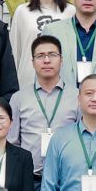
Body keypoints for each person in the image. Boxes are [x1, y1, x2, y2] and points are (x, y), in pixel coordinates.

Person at [8, 35, 77, 177]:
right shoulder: (18, 98)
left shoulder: (77, 97)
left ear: (61, 60)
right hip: (29, 178)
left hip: (66, 177)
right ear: (33, 62)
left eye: (52, 55)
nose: (46, 60)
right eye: (40, 56)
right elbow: (12, 143)